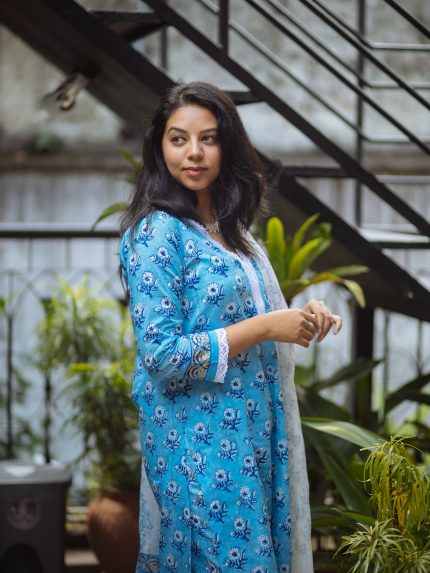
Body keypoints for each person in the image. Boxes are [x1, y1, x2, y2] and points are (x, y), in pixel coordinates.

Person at [119, 82, 342, 573]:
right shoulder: (157, 232)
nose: (194, 153)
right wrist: (266, 327)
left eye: (209, 138)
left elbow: (245, 315)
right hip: (197, 444)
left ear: (229, 146)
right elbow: (161, 355)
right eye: (178, 139)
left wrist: (301, 315)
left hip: (252, 432)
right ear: (159, 147)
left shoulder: (233, 233)